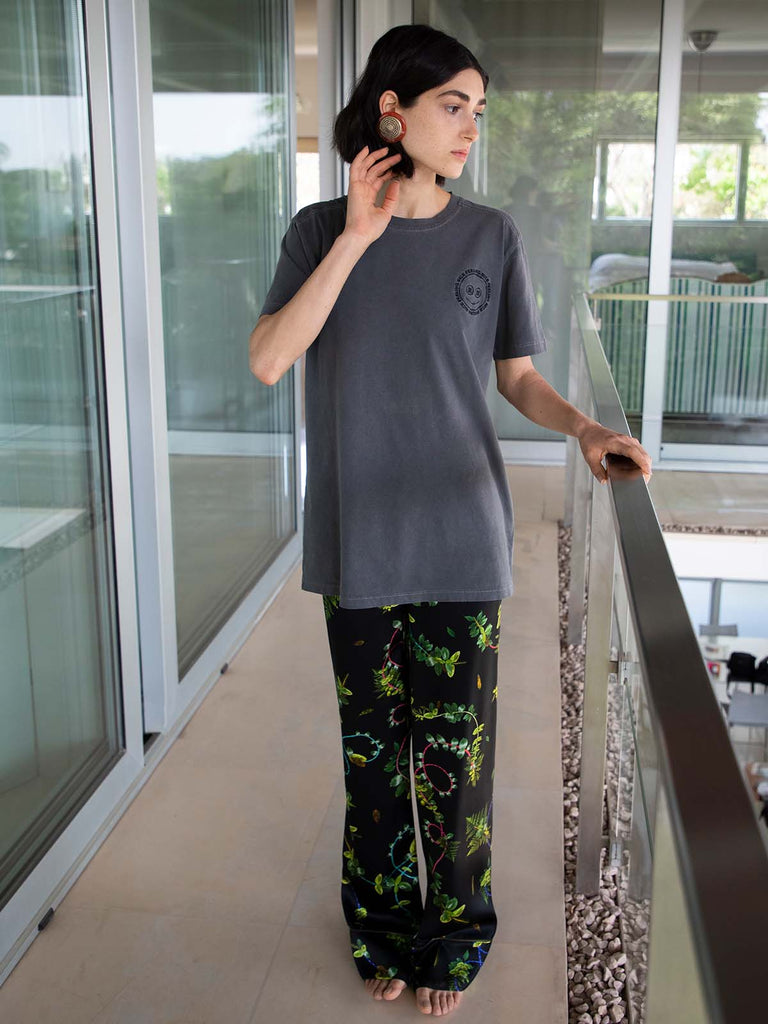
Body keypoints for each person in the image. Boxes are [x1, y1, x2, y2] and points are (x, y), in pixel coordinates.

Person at [248, 23, 651, 1018]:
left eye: (478, 109)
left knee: (456, 762)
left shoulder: (491, 235)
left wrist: (587, 427)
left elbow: (516, 377)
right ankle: (383, 926)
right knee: (374, 760)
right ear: (393, 110)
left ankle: (457, 934)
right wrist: (358, 235)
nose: (472, 126)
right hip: (360, 541)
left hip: (462, 536)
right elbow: (269, 359)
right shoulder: (318, 230)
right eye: (453, 105)